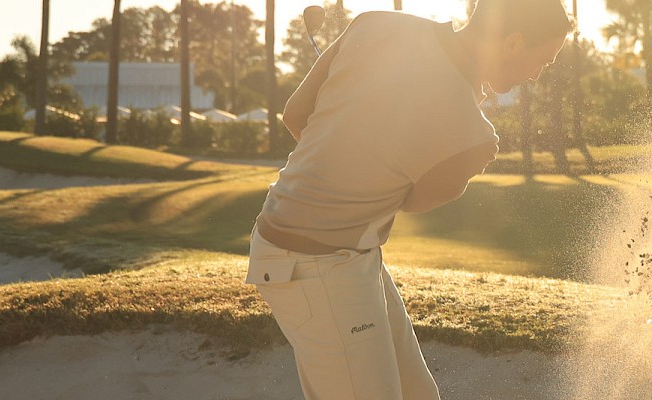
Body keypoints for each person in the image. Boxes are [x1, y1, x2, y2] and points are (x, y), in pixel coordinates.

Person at [244, 2, 573, 399]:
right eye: (544, 61)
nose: (537, 75)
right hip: (312, 264)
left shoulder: (377, 23)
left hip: (348, 255)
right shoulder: (477, 139)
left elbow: (297, 114)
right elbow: (411, 201)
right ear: (514, 43)